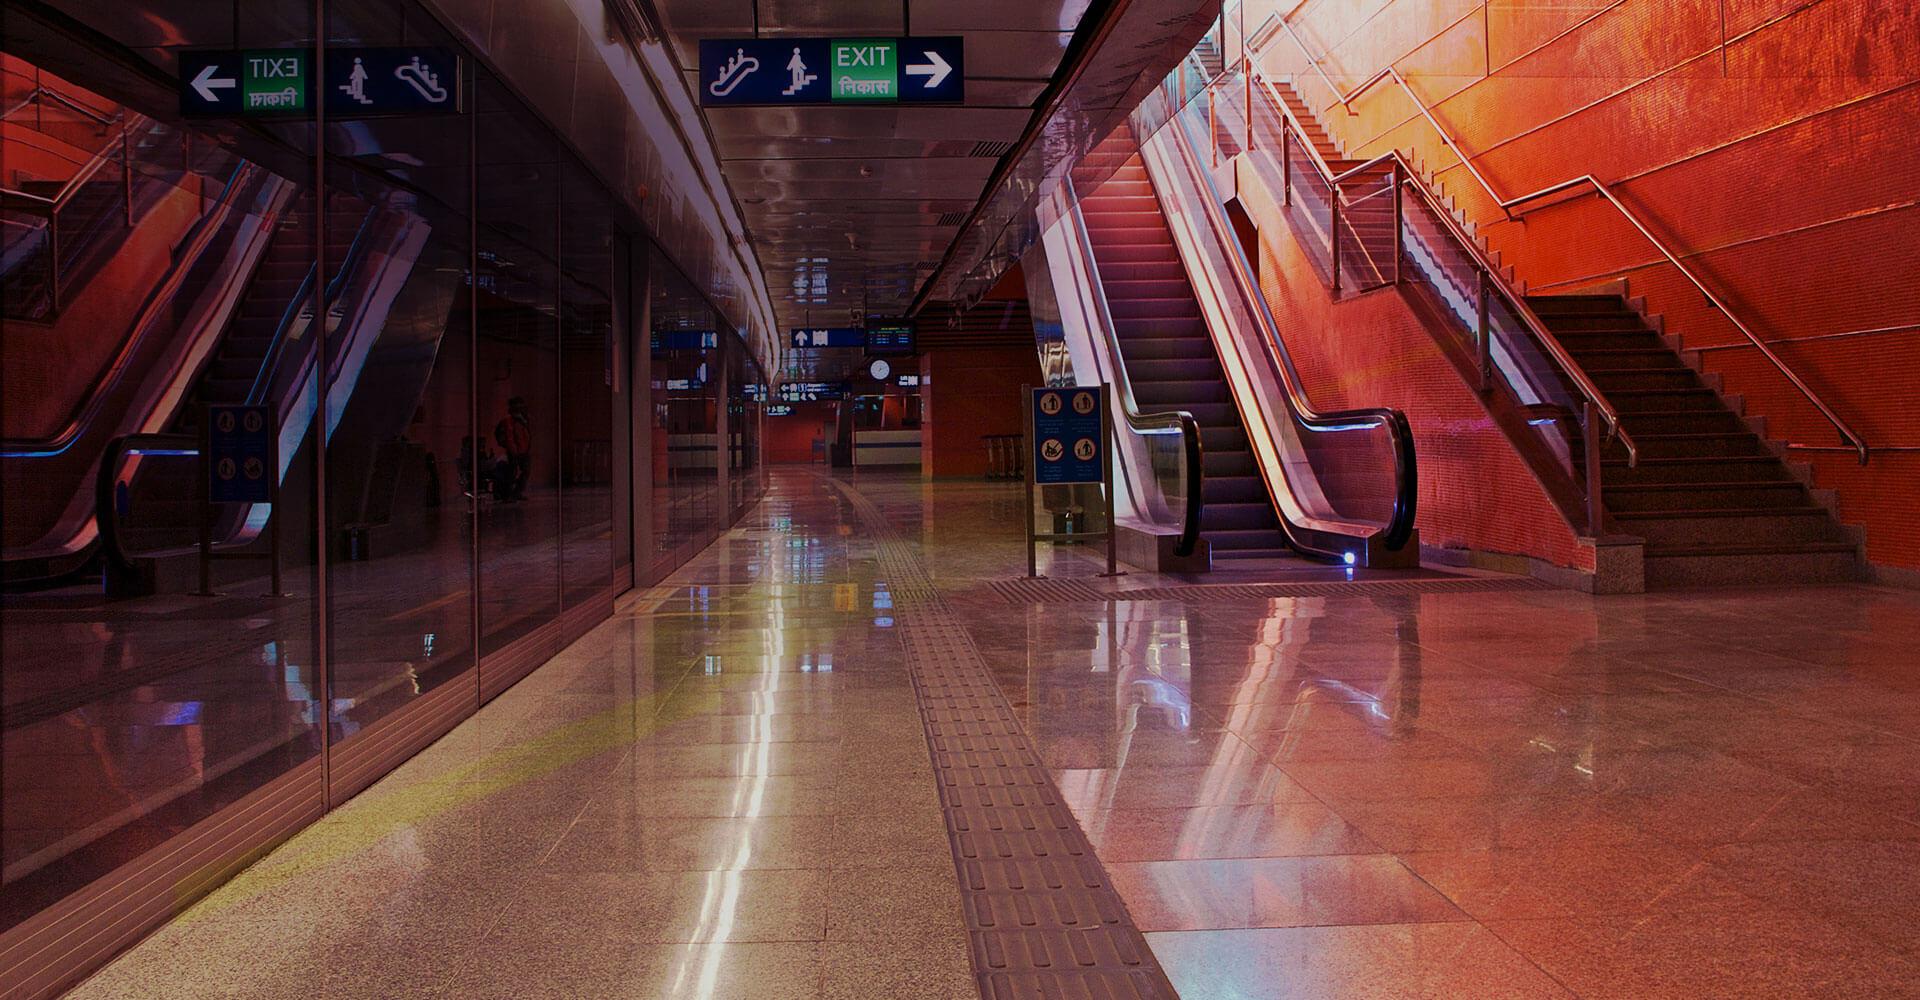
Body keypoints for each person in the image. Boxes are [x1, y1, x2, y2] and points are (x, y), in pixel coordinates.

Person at [494, 397, 532, 502]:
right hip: (514, 451)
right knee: (511, 473)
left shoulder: (523, 419)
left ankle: (516, 492)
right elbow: (509, 436)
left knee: (525, 472)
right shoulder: (509, 420)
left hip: (524, 450)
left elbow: (526, 435)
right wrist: (513, 450)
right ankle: (509, 494)